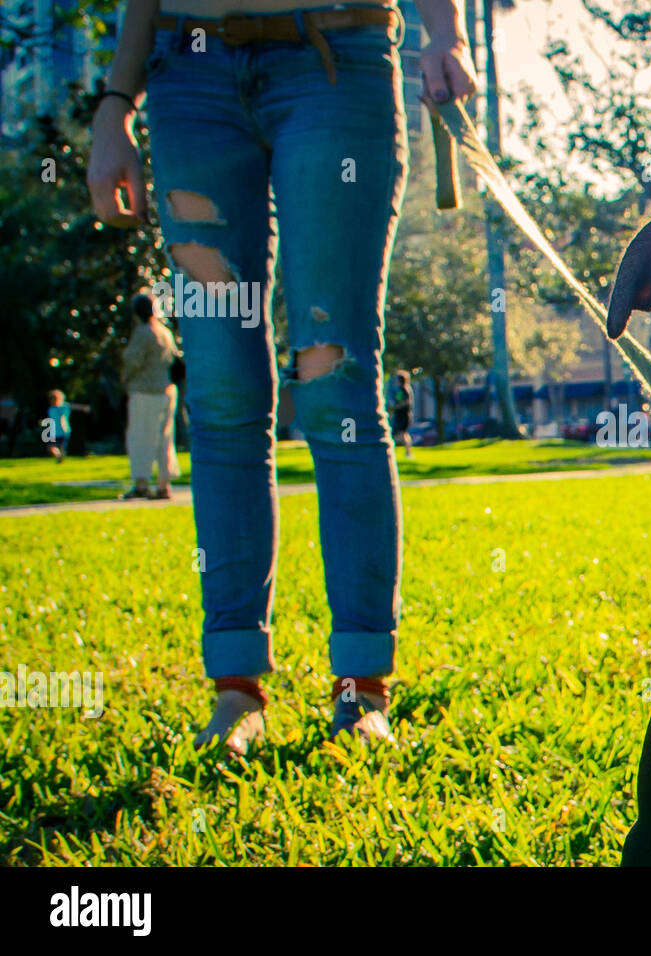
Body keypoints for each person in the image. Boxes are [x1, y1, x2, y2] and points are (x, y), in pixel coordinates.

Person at [87, 0, 476, 752]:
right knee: (224, 395)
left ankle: (361, 686)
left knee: (337, 383)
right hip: (187, 75)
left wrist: (446, 33)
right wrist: (115, 106)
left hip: (334, 55)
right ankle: (236, 690)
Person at [120, 291, 182, 500]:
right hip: (167, 391)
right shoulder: (165, 332)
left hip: (145, 392)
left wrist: (125, 379)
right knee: (165, 439)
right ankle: (164, 485)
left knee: (141, 438)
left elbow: (133, 361)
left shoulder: (143, 333)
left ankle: (141, 483)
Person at [43, 390, 91, 462]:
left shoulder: (64, 406)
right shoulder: (51, 409)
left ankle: (61, 459)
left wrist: (84, 407)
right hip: (53, 432)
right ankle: (59, 456)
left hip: (64, 431)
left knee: (62, 447)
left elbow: (74, 406)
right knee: (50, 448)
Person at [388, 370, 414, 458]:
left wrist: (396, 406)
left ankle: (408, 453)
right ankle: (405, 452)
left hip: (404, 415)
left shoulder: (405, 389)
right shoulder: (398, 390)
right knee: (398, 434)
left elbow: (407, 402)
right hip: (398, 414)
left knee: (403, 434)